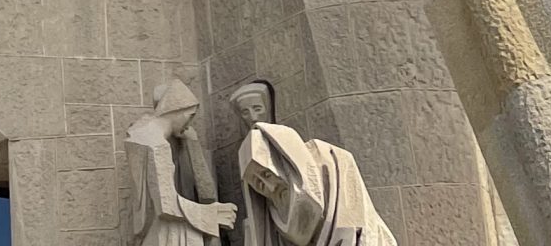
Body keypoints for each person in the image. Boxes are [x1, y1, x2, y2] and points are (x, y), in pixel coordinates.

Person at [230, 81, 395, 245]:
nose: (271, 187)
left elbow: (352, 224)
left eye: (267, 174)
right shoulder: (273, 214)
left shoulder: (327, 161)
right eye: (259, 184)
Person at [127, 80, 235, 246]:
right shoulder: (157, 144)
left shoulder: (140, 135)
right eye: (191, 116)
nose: (188, 125)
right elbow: (167, 205)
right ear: (180, 111)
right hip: (170, 233)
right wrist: (211, 214)